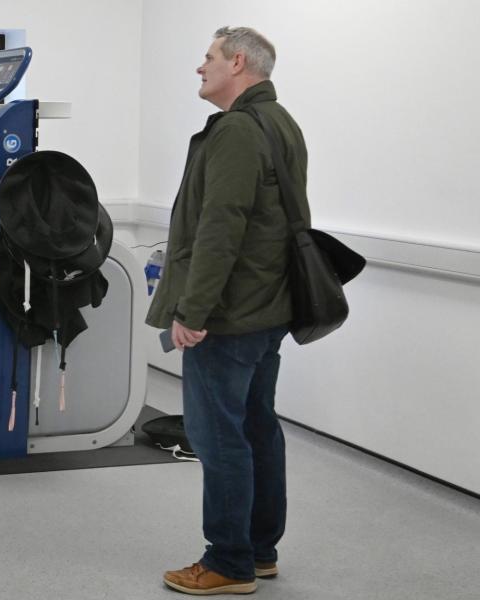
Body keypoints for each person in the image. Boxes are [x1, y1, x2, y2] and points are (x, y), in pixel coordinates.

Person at [145, 27, 309, 595]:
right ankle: (259, 551)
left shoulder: (239, 129)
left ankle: (229, 563)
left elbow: (222, 229)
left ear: (237, 62)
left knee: (219, 438)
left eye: (208, 57)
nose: (200, 68)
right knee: (258, 428)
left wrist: (193, 309)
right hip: (267, 309)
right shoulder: (279, 121)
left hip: (231, 314)